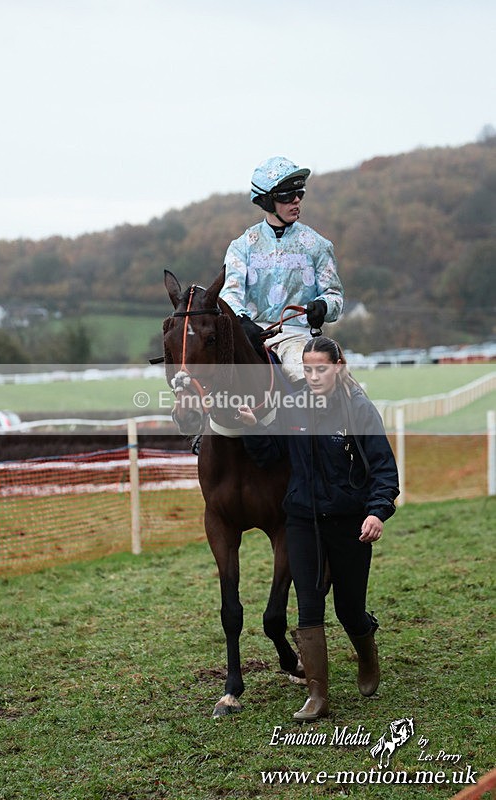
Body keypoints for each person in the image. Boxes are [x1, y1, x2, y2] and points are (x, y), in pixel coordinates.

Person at [239, 336, 399, 722]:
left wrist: (376, 513)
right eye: (307, 369)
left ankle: (367, 653)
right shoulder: (293, 407)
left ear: (338, 367)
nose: (312, 376)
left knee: (349, 609)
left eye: (321, 369)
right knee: (308, 605)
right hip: (302, 521)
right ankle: (317, 696)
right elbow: (270, 456)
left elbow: (384, 471)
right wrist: (252, 428)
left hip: (349, 524)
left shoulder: (358, 409)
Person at [219, 156, 344, 383]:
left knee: (304, 379)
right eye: (288, 196)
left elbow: (335, 297)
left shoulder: (319, 245)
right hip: (251, 337)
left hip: (297, 339)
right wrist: (242, 320)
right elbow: (228, 293)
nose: (296, 201)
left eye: (300, 194)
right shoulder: (241, 246)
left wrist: (324, 305)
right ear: (267, 201)